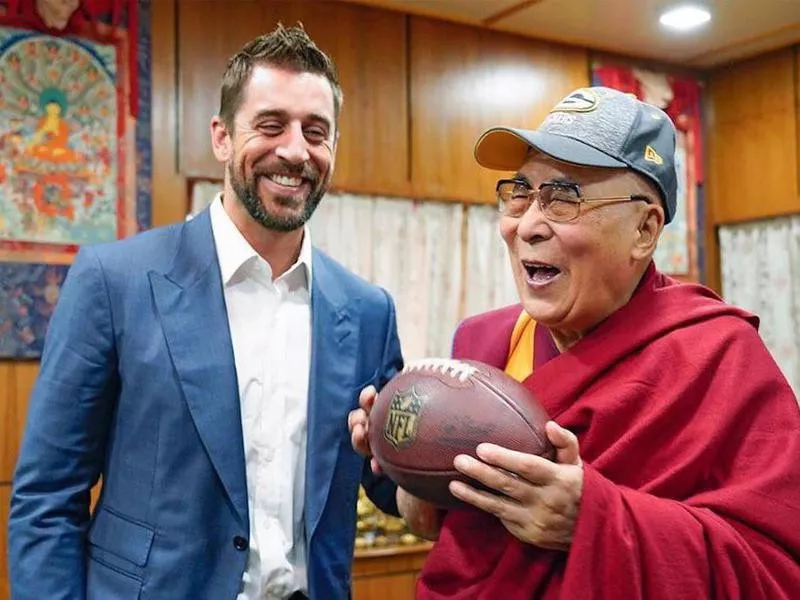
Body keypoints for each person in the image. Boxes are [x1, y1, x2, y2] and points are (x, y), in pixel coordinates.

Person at [350, 86, 800, 599]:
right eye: (519, 193)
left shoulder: (718, 357)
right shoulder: (483, 342)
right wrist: (406, 461)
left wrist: (594, 520)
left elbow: (776, 572)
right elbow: (448, 531)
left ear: (644, 230)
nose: (527, 225)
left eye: (564, 197)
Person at [9, 25, 403, 600]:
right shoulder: (113, 281)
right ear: (221, 137)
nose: (295, 150)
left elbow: (392, 487)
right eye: (271, 125)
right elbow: (47, 501)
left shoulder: (368, 312)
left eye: (316, 132)